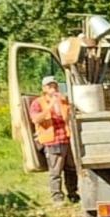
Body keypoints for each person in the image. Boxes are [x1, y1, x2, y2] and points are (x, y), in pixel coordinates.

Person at [29, 75, 77, 203]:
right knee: (55, 171)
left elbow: (71, 115)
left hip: (67, 138)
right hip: (52, 141)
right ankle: (57, 197)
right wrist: (50, 107)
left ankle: (73, 194)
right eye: (50, 86)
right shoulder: (38, 103)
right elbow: (35, 119)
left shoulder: (63, 101)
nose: (53, 88)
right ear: (44, 88)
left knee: (71, 169)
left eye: (54, 85)